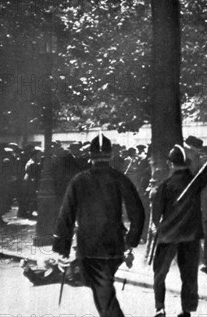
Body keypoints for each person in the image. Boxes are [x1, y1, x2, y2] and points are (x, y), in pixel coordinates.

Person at [52, 134, 145, 317]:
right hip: (115, 246)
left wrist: (62, 248)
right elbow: (138, 213)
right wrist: (131, 241)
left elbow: (66, 215)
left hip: (90, 246)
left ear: (90, 155)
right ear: (110, 155)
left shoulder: (79, 180)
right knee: (102, 288)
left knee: (103, 293)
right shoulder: (119, 178)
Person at [151, 145, 207, 317]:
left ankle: (160, 308)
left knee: (160, 273)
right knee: (189, 275)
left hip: (168, 235)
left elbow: (156, 214)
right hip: (190, 235)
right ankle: (187, 310)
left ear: (170, 164)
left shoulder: (164, 186)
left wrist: (156, 226)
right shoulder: (195, 182)